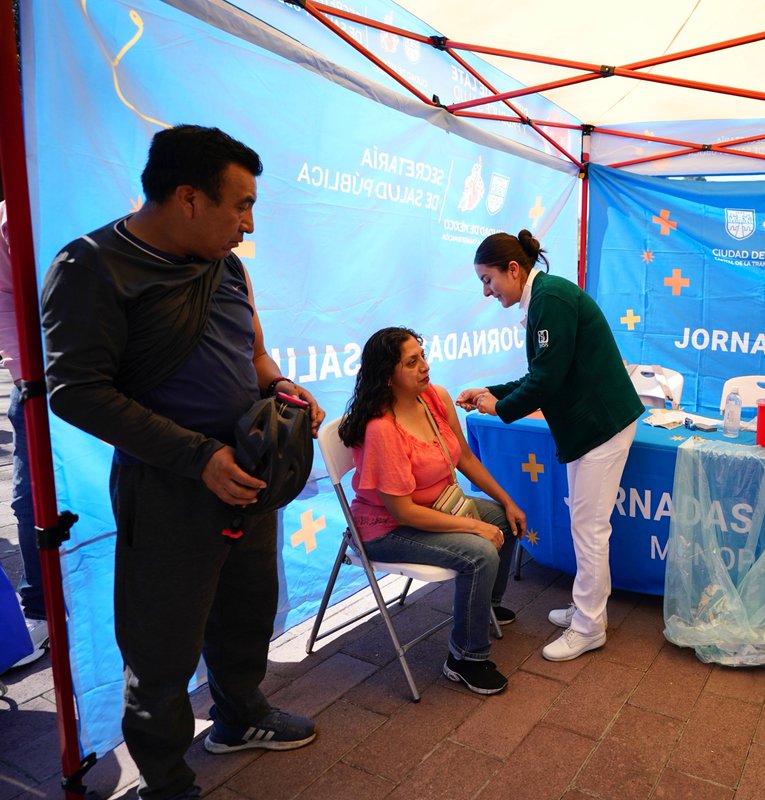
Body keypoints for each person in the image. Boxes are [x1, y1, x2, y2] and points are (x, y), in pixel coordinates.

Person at [41, 125, 325, 800]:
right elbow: (76, 392)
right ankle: (166, 782)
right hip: (167, 491)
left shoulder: (227, 267)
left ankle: (240, 716)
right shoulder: (92, 266)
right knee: (161, 648)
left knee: (246, 613)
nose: (248, 225)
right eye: (242, 205)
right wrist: (199, 458)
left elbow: (254, 353)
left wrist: (280, 386)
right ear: (190, 197)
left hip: (248, 477)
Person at [458, 230, 643, 662]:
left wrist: (499, 406)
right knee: (585, 524)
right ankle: (588, 608)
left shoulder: (550, 299)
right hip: (590, 426)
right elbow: (540, 374)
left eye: (488, 280)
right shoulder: (542, 298)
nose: (486, 291)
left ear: (513, 269)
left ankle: (589, 626)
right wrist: (490, 392)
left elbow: (546, 380)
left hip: (602, 425)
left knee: (590, 528)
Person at [339, 326, 524, 695]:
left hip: (435, 506)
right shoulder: (382, 429)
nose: (424, 366)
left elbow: (465, 457)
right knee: (481, 553)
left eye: (422, 356)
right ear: (387, 375)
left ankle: (484, 606)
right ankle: (464, 659)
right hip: (386, 529)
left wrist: (507, 501)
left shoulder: (434, 398)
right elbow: (404, 513)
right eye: (411, 363)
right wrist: (473, 527)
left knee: (504, 520)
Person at [0, 194, 48, 669]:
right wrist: (20, 370)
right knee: (27, 500)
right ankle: (39, 608)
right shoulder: (10, 212)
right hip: (34, 383)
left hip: (108, 376)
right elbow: (6, 295)